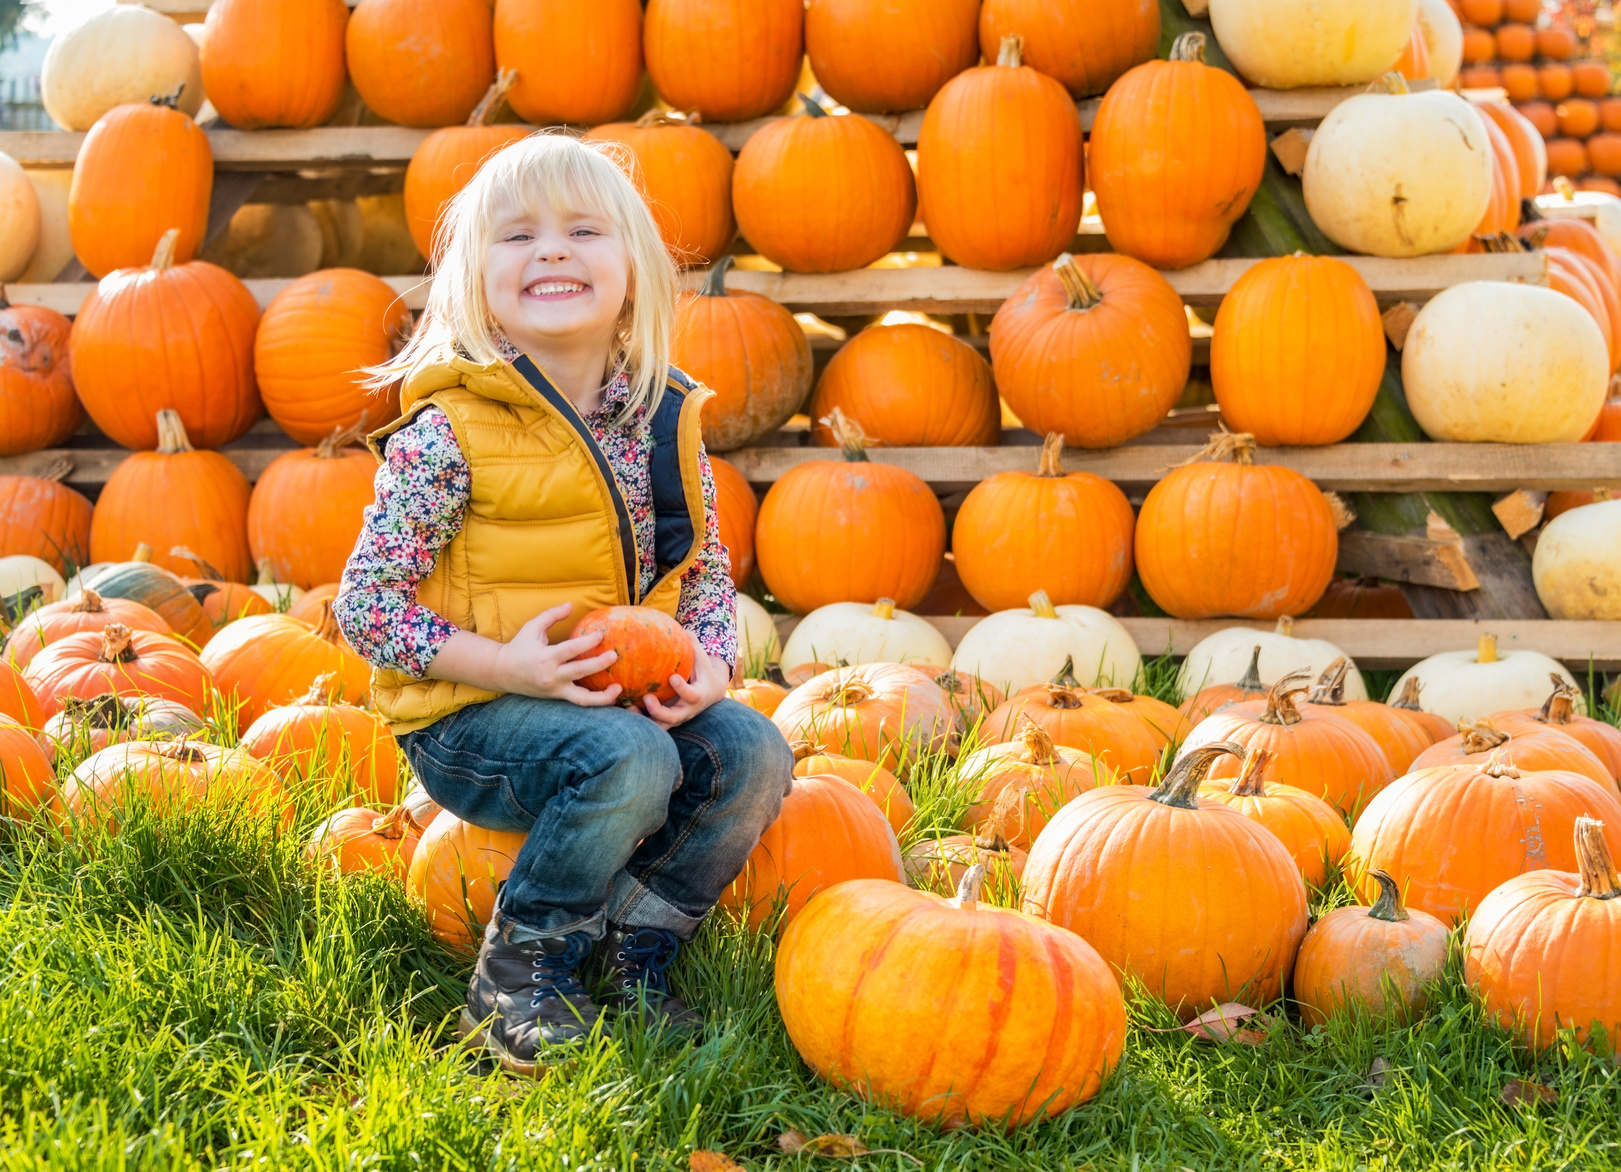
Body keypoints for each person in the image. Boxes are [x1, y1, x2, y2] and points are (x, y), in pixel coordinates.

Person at [333, 131, 792, 1077]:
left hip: (612, 701)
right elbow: (366, 605)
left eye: (582, 230)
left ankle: (633, 947)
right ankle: (524, 964)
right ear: (471, 280)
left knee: (751, 751)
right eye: (517, 237)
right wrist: (504, 666)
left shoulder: (663, 420)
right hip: (472, 718)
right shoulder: (452, 430)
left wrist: (710, 666)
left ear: (633, 271)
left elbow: (703, 574)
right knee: (625, 758)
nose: (549, 250)